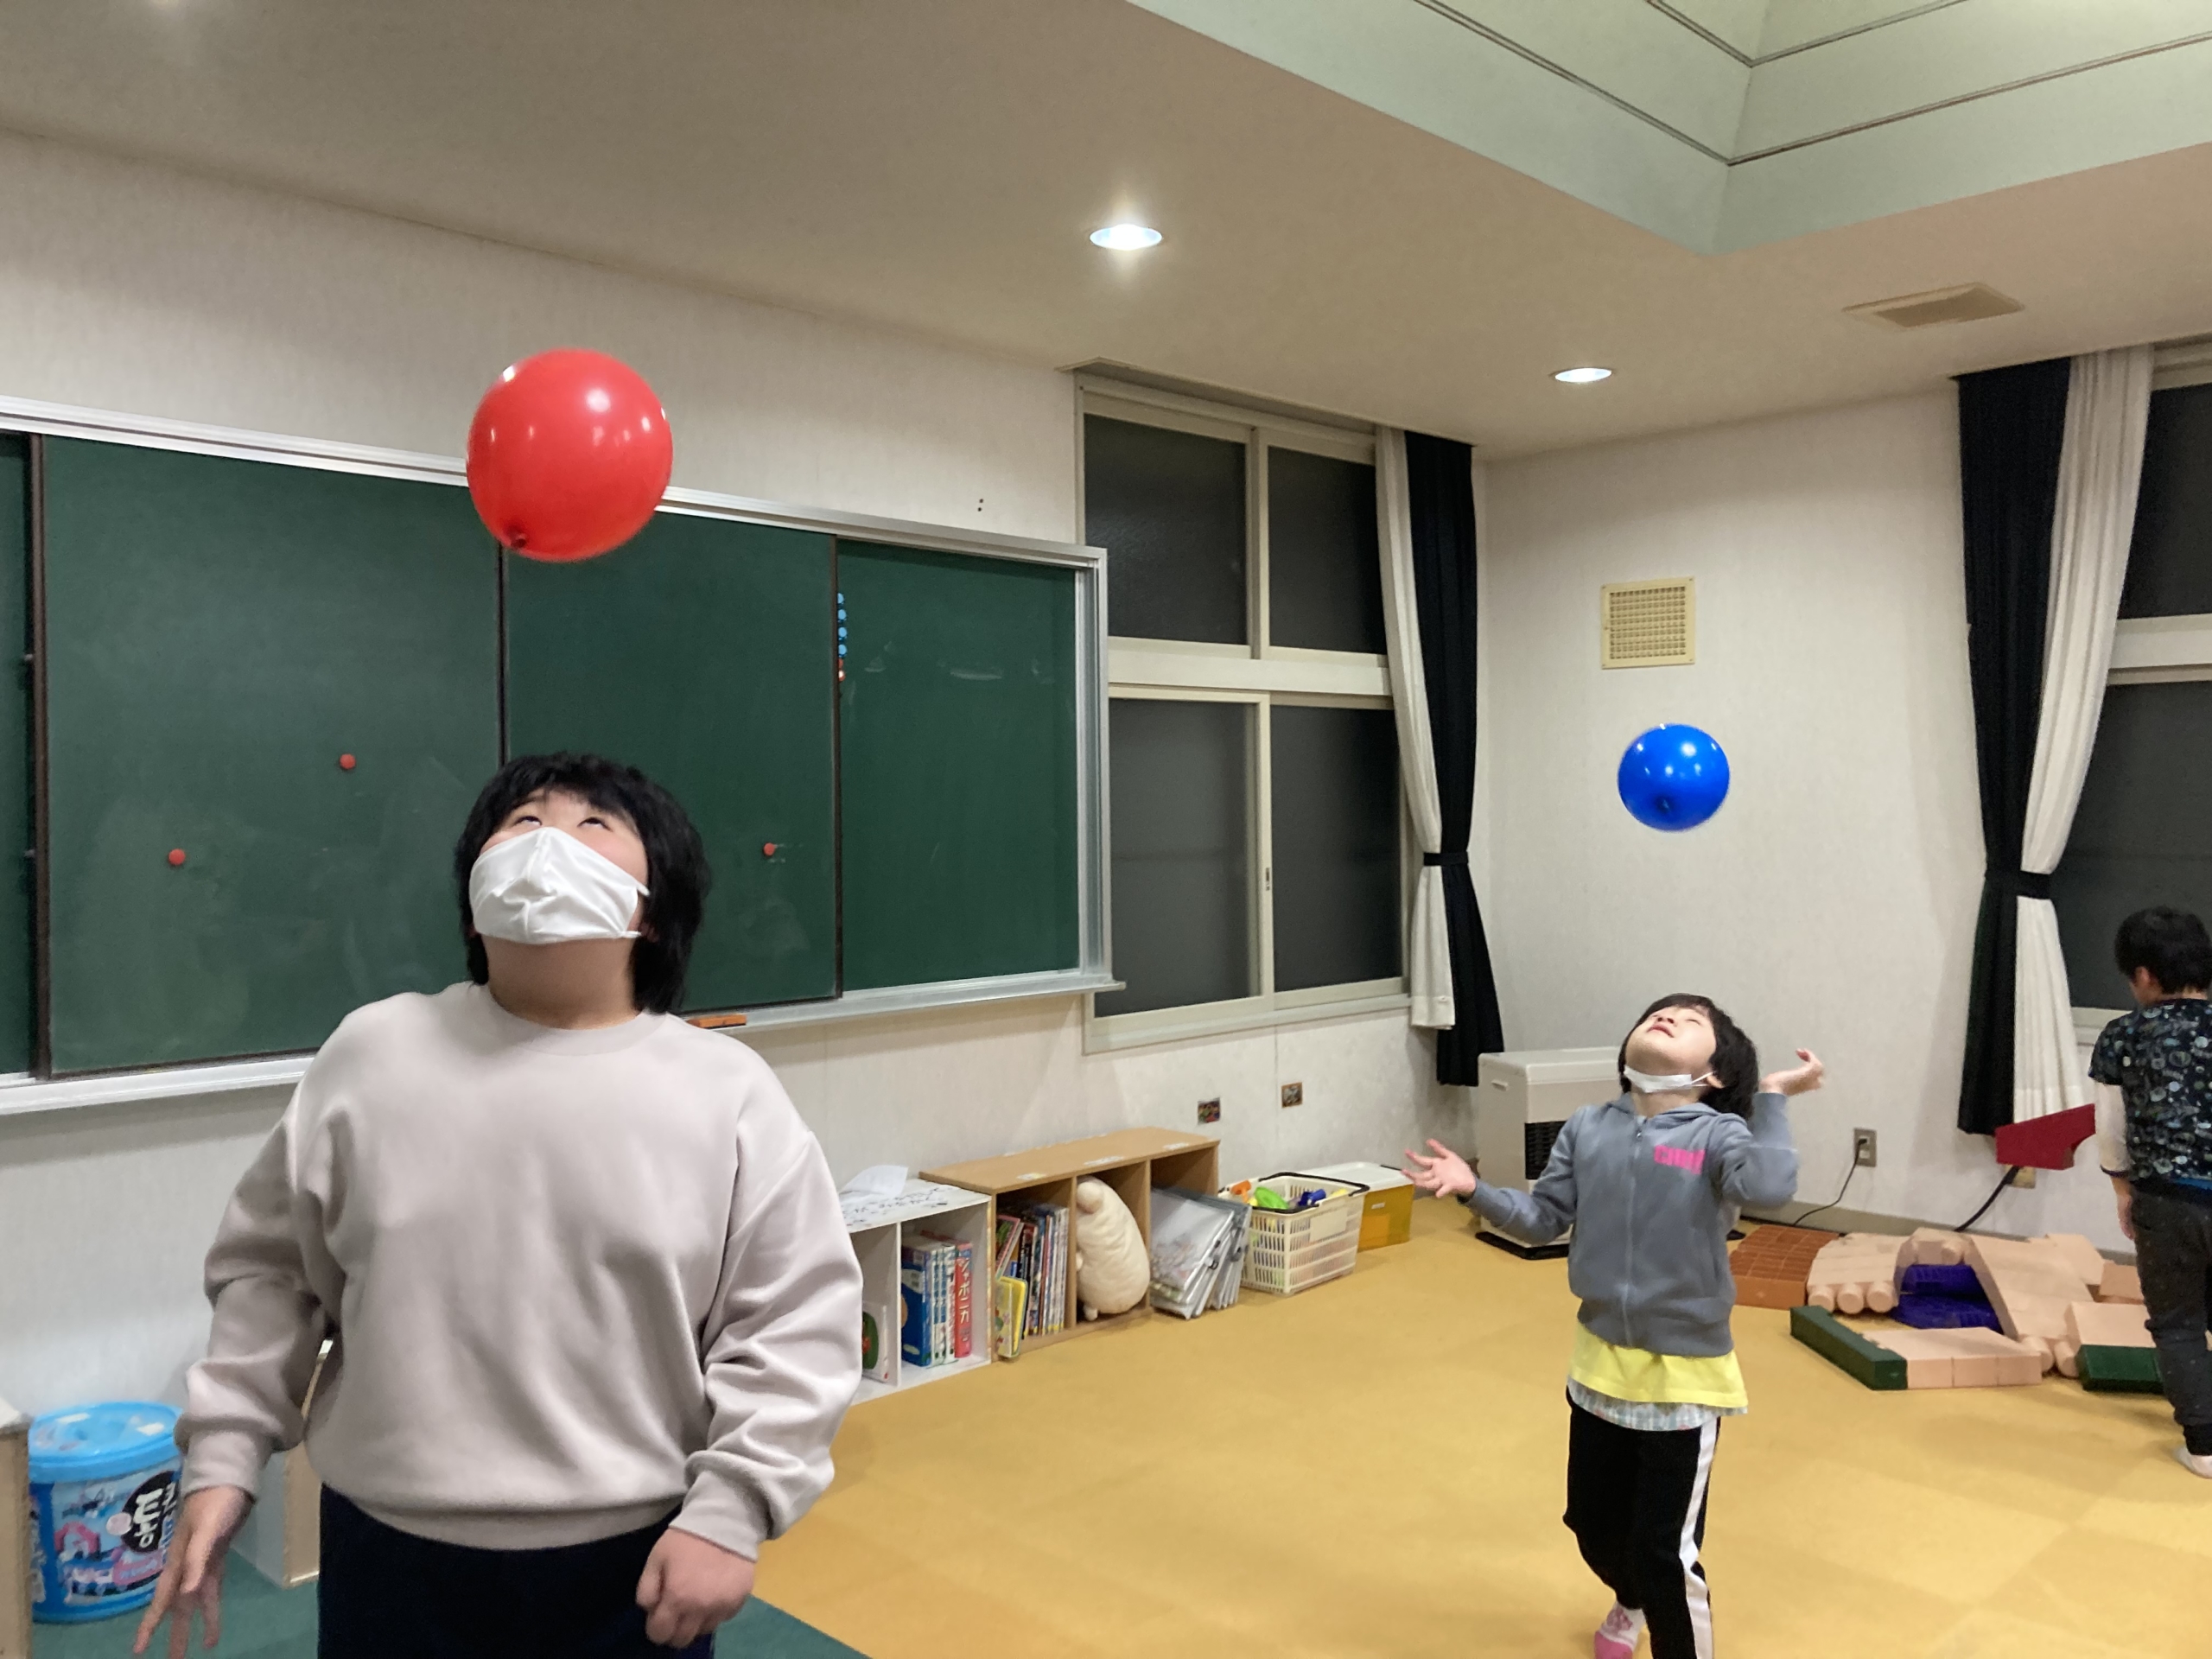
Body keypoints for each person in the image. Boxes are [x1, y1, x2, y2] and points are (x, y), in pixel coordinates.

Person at [136, 753, 864, 1658]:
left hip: (632, 1565)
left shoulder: (726, 1091)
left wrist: (733, 1507)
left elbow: (795, 1319)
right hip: (387, 1555)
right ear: (474, 892)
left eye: (593, 825)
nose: (546, 844)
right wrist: (224, 1458)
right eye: (521, 823)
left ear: (651, 910)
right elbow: (272, 1274)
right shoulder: (372, 1056)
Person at [1405, 995, 1823, 1659]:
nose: (1668, 1018)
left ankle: (1664, 1617)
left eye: (1691, 1021)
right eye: (1659, 1013)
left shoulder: (1717, 1136)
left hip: (1683, 1376)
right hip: (1599, 1362)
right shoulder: (1587, 1127)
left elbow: (1770, 1186)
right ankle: (1631, 1598)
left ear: (1714, 1073)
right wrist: (1473, 1188)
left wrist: (1771, 1095)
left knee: (1665, 1550)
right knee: (1593, 1525)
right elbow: (1544, 1219)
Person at [2090, 905, 2212, 1480]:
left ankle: (2205, 1447)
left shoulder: (2123, 1036)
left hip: (2167, 1199)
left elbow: (2110, 1132)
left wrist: (2123, 1191)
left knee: (2178, 1321)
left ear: (2143, 975)